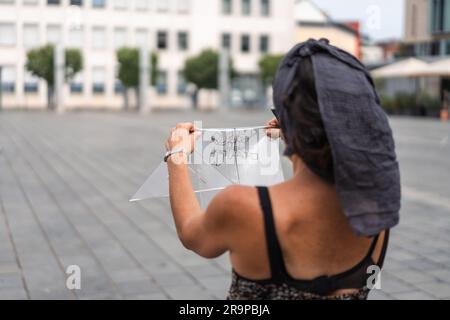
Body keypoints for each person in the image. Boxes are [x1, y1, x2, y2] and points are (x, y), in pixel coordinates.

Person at [164, 39, 400, 300]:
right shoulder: (377, 214)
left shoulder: (245, 206)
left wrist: (177, 155)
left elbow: (191, 234)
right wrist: (295, 136)